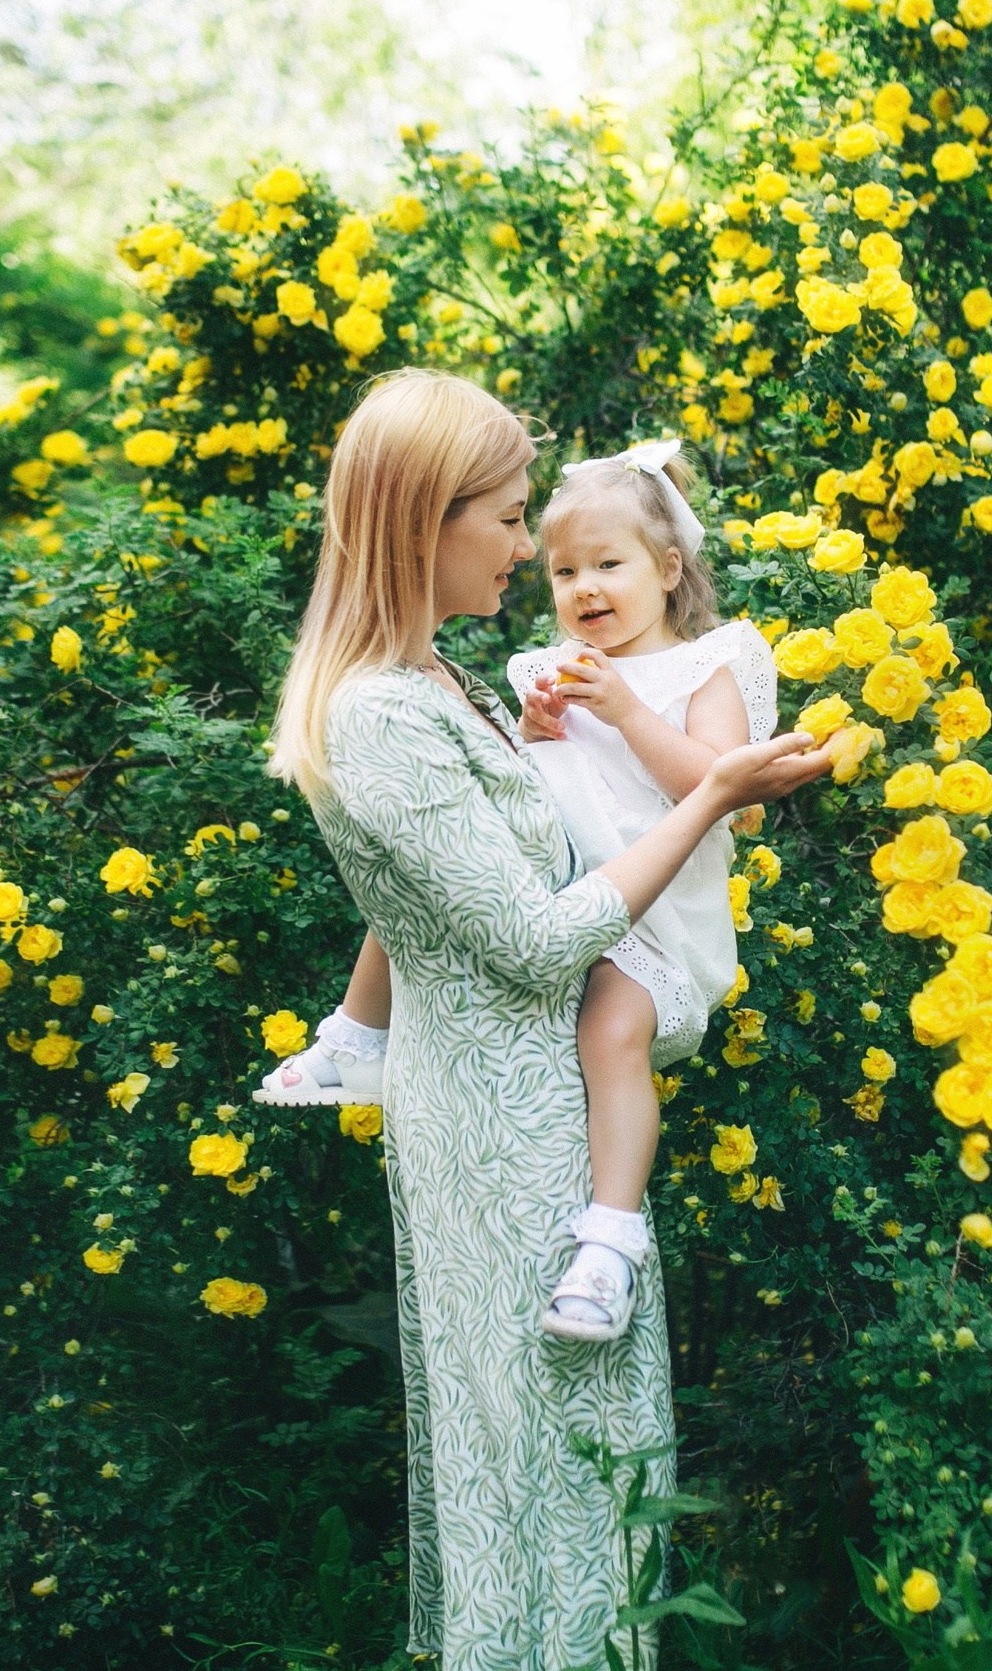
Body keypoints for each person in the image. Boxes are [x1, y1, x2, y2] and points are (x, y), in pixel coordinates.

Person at [264, 368, 830, 1664]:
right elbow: (531, 936)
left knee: (580, 1460)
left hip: (535, 1105)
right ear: (427, 522)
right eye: (512, 518)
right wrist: (716, 796)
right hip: (510, 1127)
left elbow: (470, 876)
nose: (530, 551)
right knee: (559, 1461)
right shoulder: (385, 712)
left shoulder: (434, 682)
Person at [260, 436, 775, 1344]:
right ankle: (354, 1032)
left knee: (611, 1028)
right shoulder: (550, 670)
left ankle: (610, 1241)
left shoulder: (708, 664)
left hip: (649, 924)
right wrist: (542, 734)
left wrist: (622, 711)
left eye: (607, 564)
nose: (580, 588)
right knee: (442, 862)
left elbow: (719, 784)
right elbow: (535, 808)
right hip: (567, 889)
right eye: (565, 570)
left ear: (665, 566)